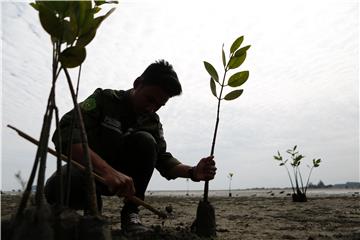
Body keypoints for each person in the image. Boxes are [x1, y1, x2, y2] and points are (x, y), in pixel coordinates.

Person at [44, 60, 216, 235]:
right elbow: (65, 134)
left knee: (146, 141)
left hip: (124, 186)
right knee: (58, 187)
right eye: (149, 99)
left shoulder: (152, 122)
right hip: (83, 175)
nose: (151, 108)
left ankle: (131, 214)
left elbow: (163, 160)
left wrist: (193, 172)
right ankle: (92, 214)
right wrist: (107, 172)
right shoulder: (104, 100)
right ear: (137, 84)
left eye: (159, 105)